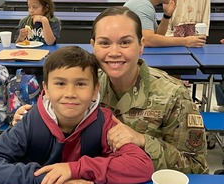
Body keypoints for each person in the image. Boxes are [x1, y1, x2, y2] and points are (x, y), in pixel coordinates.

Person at [12, 6, 208, 174]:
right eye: (105, 43)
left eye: (125, 42)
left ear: (141, 45)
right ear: (93, 46)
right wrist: (30, 121)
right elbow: (54, 117)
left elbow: (196, 167)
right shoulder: (84, 84)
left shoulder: (172, 95)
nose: (114, 52)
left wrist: (142, 141)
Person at [0, 46, 154, 184]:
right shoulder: (30, 123)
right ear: (46, 89)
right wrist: (41, 178)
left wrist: (75, 169)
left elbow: (142, 166)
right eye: (60, 84)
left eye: (81, 84)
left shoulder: (105, 123)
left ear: (95, 89)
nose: (70, 93)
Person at [123, 0, 206, 47]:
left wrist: (167, 15)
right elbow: (148, 40)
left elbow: (158, 35)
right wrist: (185, 41)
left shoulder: (146, 5)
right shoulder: (142, 6)